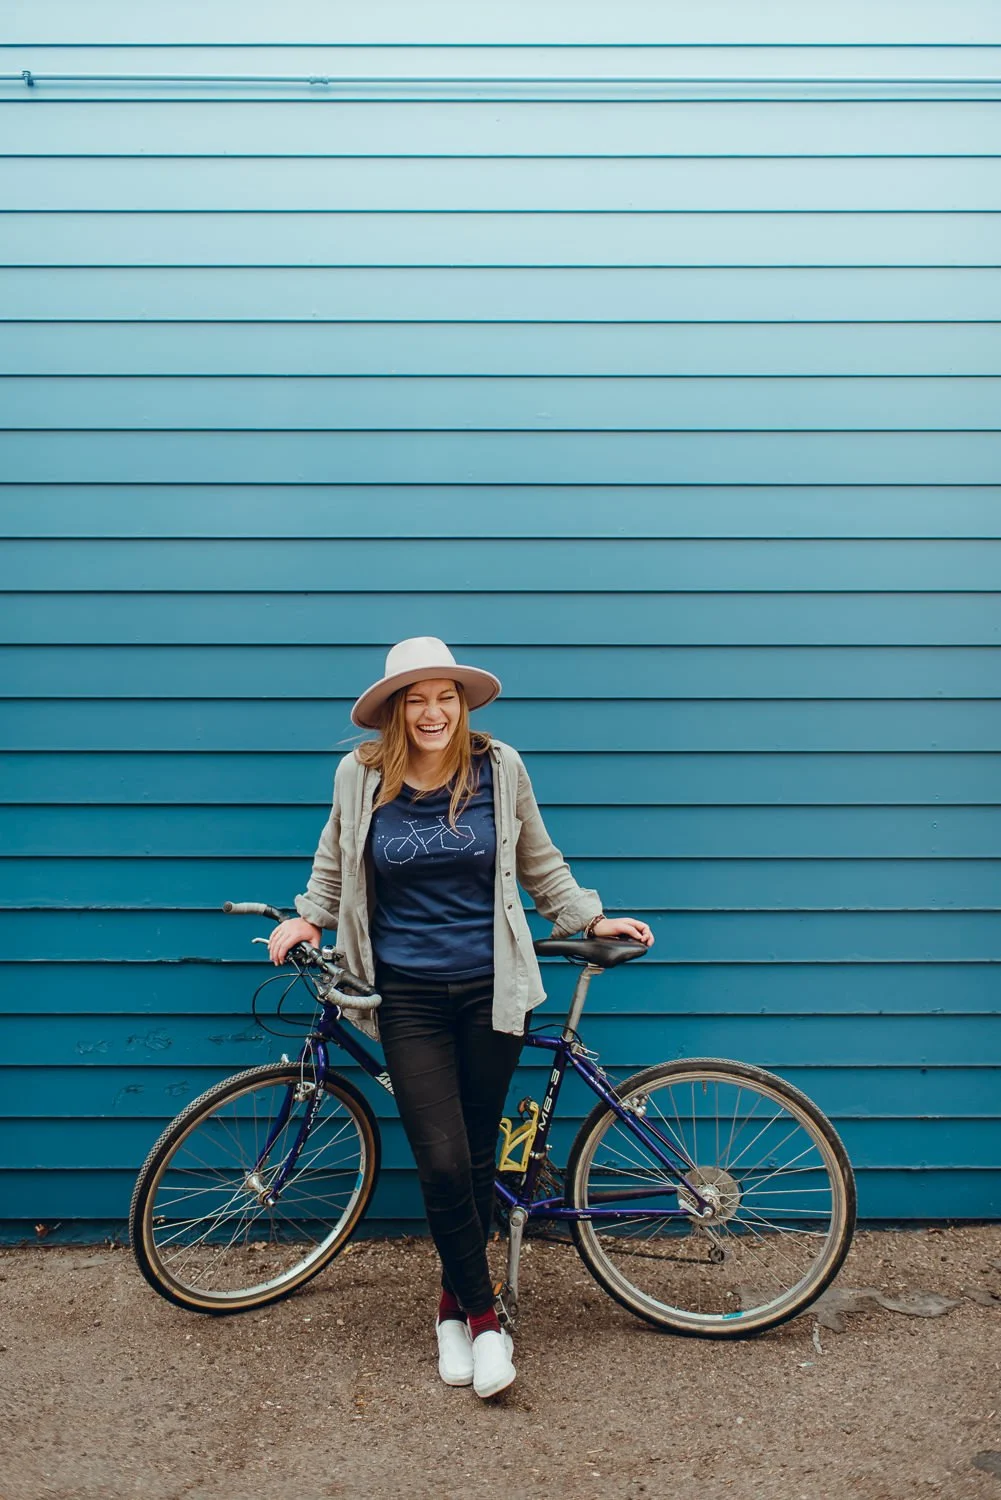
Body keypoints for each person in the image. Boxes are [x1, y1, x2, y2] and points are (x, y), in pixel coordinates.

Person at [268, 637, 653, 1399]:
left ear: (462, 703)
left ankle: (450, 1306)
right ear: (395, 711)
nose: (433, 711)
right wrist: (307, 918)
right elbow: (336, 861)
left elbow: (539, 861)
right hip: (404, 993)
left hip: (492, 987)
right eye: (416, 699)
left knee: (478, 1156)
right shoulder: (361, 775)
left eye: (445, 696)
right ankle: (485, 1320)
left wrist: (587, 918)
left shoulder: (499, 767)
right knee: (441, 1158)